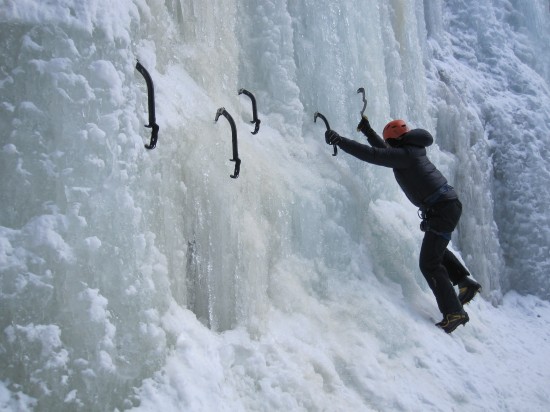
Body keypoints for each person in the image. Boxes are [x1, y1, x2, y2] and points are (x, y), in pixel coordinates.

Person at [324, 116, 481, 333]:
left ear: (395, 141)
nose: (389, 145)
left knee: (429, 264)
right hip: (446, 206)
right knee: (436, 250)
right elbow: (385, 152)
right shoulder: (410, 151)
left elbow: (377, 155)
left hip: (442, 209)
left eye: (390, 142)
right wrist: (368, 132)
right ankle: (465, 282)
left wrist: (339, 141)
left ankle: (454, 312)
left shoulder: (405, 155)